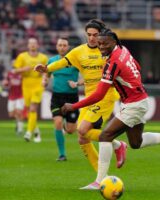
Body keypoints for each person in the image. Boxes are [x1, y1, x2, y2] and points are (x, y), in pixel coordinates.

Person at [60, 28, 160, 190]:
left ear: (114, 42)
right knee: (136, 143)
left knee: (105, 136)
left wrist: (73, 106)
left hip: (134, 104)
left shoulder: (113, 63)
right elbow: (137, 66)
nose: (101, 47)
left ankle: (99, 181)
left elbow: (99, 95)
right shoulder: (123, 50)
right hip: (137, 100)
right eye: (100, 44)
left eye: (105, 44)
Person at [34, 19, 127, 171]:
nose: (91, 38)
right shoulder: (79, 51)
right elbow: (63, 62)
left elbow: (123, 65)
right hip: (89, 97)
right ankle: (101, 176)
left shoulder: (108, 50)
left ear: (101, 35)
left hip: (105, 96)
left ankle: (117, 145)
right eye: (89, 34)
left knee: (83, 129)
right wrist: (46, 68)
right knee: (82, 136)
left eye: (95, 35)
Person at [42, 38, 80, 161]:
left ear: (68, 47)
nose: (62, 47)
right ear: (57, 47)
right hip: (57, 97)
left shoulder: (75, 61)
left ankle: (65, 127)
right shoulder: (52, 61)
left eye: (64, 45)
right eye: (60, 45)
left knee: (70, 130)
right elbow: (46, 73)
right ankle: (62, 154)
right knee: (57, 122)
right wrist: (45, 80)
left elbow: (88, 76)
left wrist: (77, 83)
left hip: (72, 98)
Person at [14, 37, 48, 143]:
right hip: (26, 84)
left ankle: (28, 132)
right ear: (28, 45)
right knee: (29, 110)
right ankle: (36, 130)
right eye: (30, 43)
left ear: (37, 45)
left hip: (38, 84)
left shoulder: (43, 57)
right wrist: (24, 69)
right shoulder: (22, 56)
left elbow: (47, 70)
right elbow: (15, 70)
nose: (33, 45)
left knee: (33, 108)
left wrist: (44, 80)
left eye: (34, 43)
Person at [2, 67, 24, 135]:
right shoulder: (9, 74)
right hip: (11, 96)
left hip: (20, 96)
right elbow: (6, 83)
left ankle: (20, 128)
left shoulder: (22, 75)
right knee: (11, 114)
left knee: (19, 112)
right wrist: (5, 83)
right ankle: (17, 122)